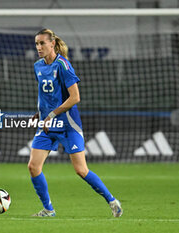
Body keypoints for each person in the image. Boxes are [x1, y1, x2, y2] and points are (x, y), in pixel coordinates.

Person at [29, 28, 123, 217]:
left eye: (42, 43)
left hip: (67, 125)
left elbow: (75, 97)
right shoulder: (38, 66)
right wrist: (39, 114)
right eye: (37, 43)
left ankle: (112, 201)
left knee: (81, 170)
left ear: (52, 43)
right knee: (33, 166)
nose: (39, 47)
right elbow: (47, 95)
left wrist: (52, 115)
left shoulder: (63, 65)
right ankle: (48, 210)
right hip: (48, 125)